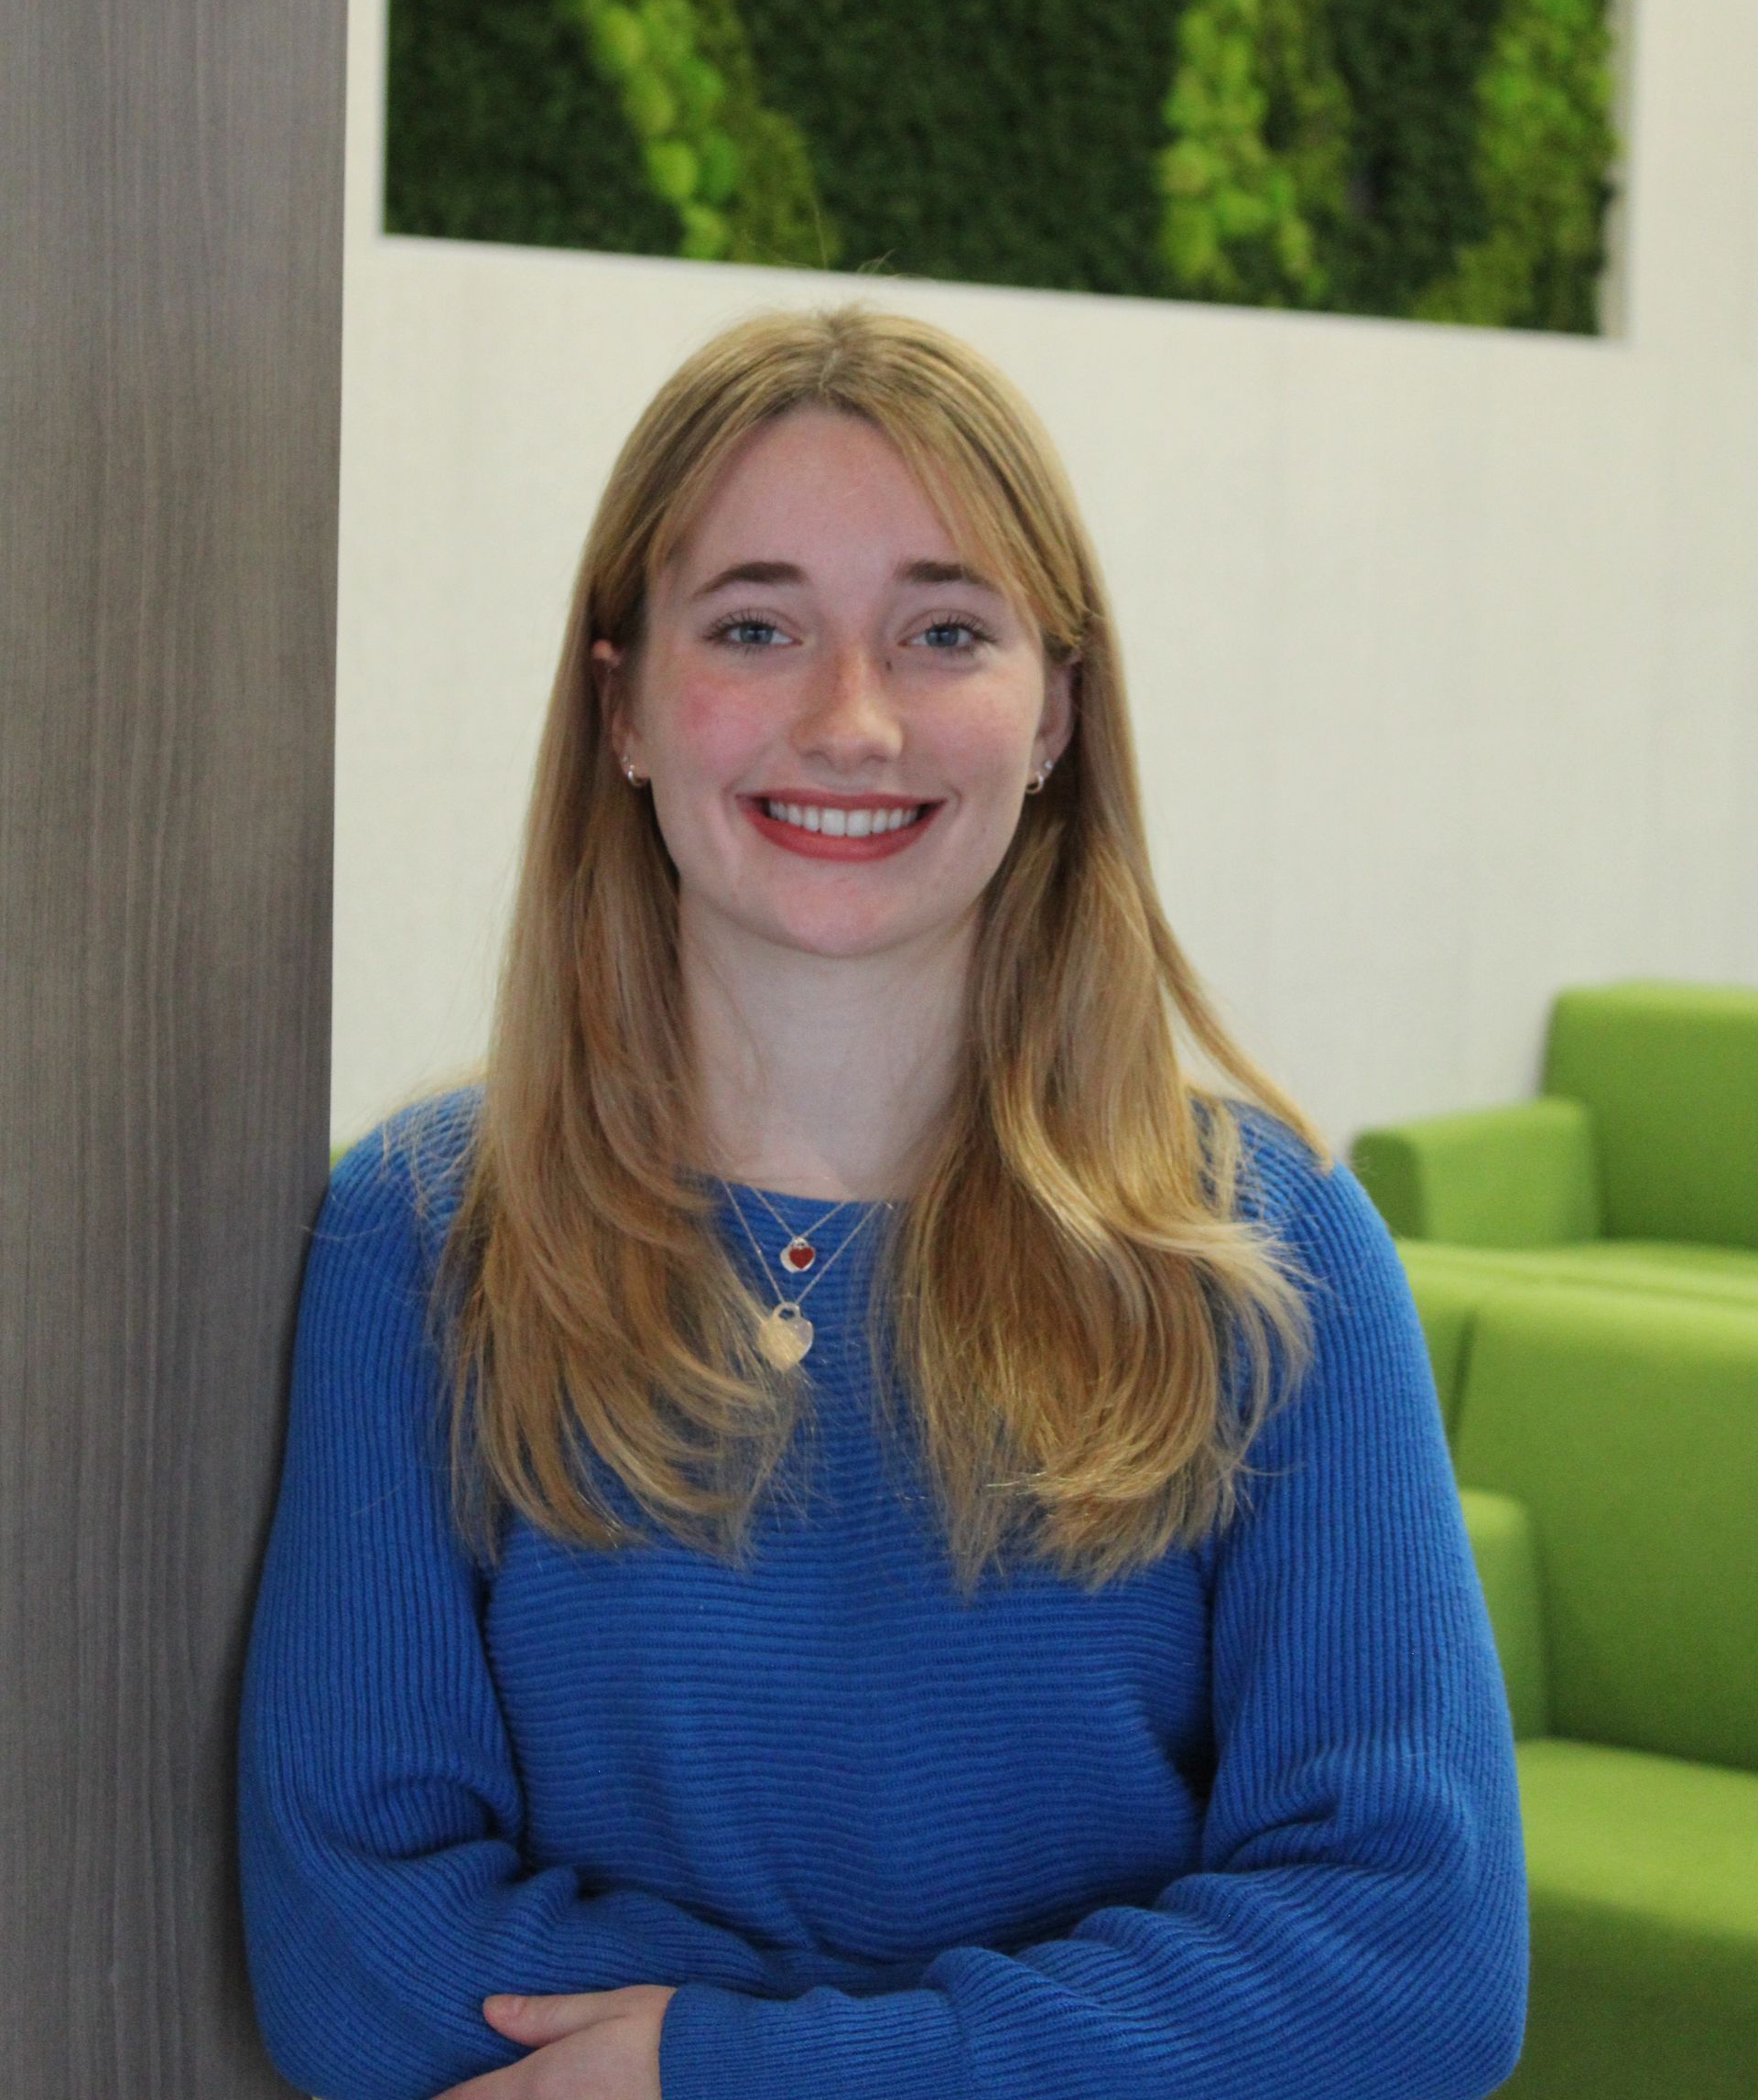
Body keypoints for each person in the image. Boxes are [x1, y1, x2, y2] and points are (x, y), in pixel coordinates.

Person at [237, 300, 1527, 2100]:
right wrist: (1077, 2047)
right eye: (754, 626)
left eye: (943, 631)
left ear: (1055, 710)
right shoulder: (424, 1236)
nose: (851, 720)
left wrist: (747, 2068)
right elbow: (353, 1947)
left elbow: (1416, 1965)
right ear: (620, 706)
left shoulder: (1268, 1253)